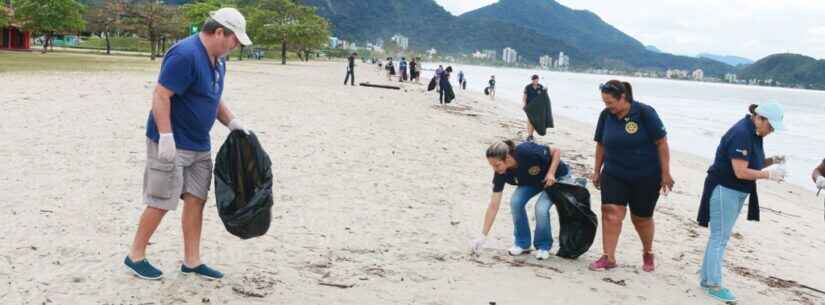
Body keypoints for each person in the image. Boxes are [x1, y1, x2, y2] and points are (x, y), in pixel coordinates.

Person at [124, 8, 253, 281]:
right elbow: (161, 95)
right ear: (219, 32)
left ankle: (192, 261)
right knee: (161, 200)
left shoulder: (218, 60)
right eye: (235, 40)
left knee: (197, 200)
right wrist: (166, 136)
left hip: (199, 143)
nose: (236, 46)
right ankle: (135, 255)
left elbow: (211, 98)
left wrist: (232, 122)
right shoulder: (185, 54)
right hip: (172, 140)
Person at [696, 103, 787, 303]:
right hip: (724, 188)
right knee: (719, 237)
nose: (771, 132)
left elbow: (752, 162)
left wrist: (773, 160)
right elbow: (740, 171)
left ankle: (706, 275)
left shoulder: (755, 132)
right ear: (760, 118)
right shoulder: (741, 133)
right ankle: (712, 284)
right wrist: (769, 175)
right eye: (770, 127)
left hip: (737, 190)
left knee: (721, 236)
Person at [589, 80, 674, 273]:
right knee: (611, 213)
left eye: (610, 102)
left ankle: (648, 252)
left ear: (623, 97)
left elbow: (662, 143)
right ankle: (608, 257)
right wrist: (596, 170)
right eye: (604, 103)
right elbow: (601, 144)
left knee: (641, 218)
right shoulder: (606, 115)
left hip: (646, 175)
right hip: (614, 173)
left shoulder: (645, 113)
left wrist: (665, 173)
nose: (607, 107)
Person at [471, 140, 571, 260]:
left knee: (540, 208)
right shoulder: (500, 173)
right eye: (492, 165)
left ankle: (543, 246)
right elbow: (493, 205)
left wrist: (551, 173)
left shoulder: (527, 151)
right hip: (533, 181)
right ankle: (522, 243)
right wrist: (483, 236)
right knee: (515, 202)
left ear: (507, 158)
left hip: (556, 177)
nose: (495, 169)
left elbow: (556, 151)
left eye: (496, 165)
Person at [523, 75, 545, 142]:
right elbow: (524, 97)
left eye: (536, 80)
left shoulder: (541, 87)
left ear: (538, 80)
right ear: (532, 80)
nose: (535, 81)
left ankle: (531, 135)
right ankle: (530, 136)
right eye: (533, 80)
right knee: (530, 121)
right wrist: (525, 105)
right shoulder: (527, 87)